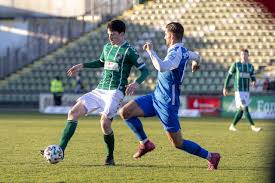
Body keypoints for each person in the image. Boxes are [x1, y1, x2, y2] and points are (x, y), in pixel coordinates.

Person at [42, 20, 149, 165]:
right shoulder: (107, 47)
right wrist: (82, 65)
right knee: (73, 113)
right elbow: (101, 62)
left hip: (115, 92)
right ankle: (60, 150)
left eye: (113, 35)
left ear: (122, 34)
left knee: (105, 124)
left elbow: (145, 70)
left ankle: (110, 157)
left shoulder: (129, 51)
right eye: (109, 35)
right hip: (99, 90)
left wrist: (136, 83)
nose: (110, 38)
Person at [119, 22, 221, 170]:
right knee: (125, 112)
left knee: (178, 143)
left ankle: (211, 156)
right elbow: (197, 56)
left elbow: (162, 66)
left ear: (172, 36)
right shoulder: (183, 50)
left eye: (166, 34)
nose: (164, 37)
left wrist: (151, 51)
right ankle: (145, 143)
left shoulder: (176, 53)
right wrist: (196, 64)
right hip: (156, 97)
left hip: (168, 102)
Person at [223, 49, 261, 132]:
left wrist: (254, 81)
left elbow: (253, 77)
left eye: (245, 54)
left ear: (248, 56)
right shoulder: (236, 65)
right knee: (245, 108)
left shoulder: (250, 66)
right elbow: (228, 76)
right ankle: (253, 126)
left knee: (241, 110)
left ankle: (232, 126)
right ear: (240, 55)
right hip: (238, 91)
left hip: (247, 91)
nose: (244, 56)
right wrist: (225, 87)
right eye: (242, 54)